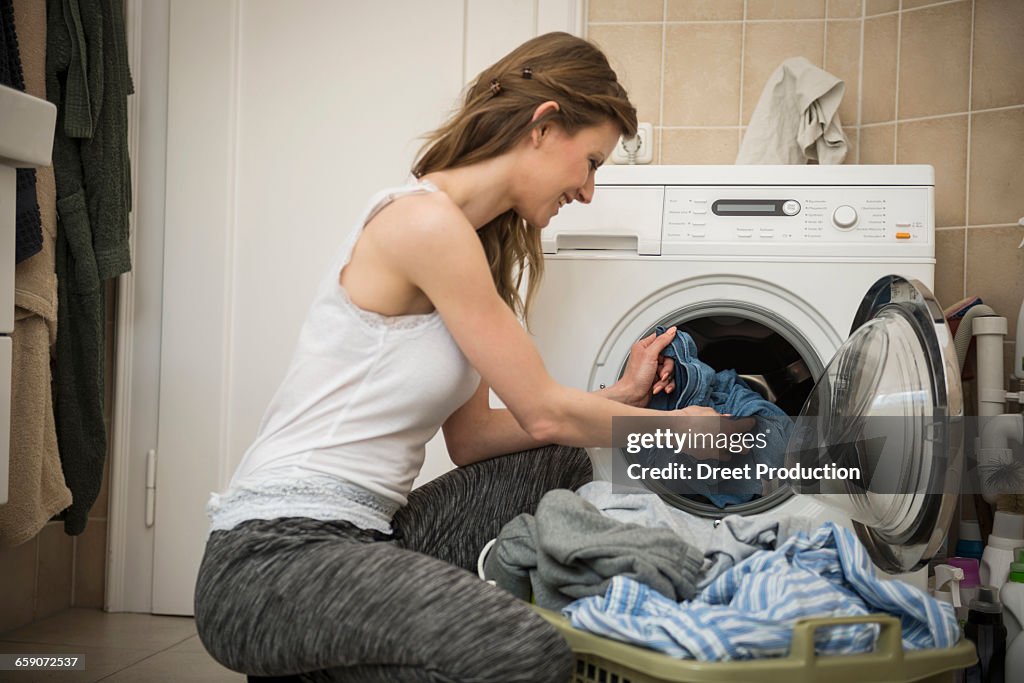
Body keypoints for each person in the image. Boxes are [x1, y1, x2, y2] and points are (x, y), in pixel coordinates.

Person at [194, 31, 723, 683]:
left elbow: (473, 438)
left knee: (558, 462)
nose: (587, 190)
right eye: (591, 161)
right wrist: (685, 433)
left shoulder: (473, 252)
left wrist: (623, 400)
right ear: (543, 125)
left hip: (365, 537)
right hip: (270, 556)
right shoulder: (423, 224)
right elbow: (544, 409)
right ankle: (317, 648)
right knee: (527, 653)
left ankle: (318, 662)